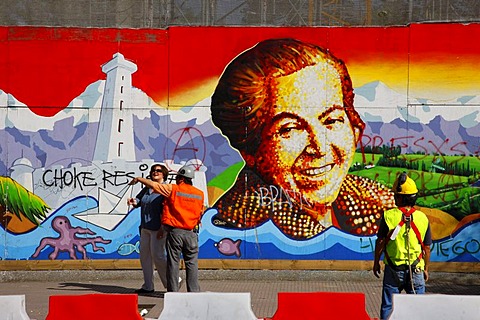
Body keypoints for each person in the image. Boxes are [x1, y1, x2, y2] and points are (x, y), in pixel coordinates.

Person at [210, 38, 395, 239]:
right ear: (250, 151)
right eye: (290, 129)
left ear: (355, 129)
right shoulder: (238, 224)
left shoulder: (376, 202)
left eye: (332, 120)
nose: (320, 147)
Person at [129, 165, 205, 292]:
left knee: (173, 263)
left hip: (175, 231)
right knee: (191, 264)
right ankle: (194, 293)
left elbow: (155, 187)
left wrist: (138, 179)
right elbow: (200, 211)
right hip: (191, 232)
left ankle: (173, 293)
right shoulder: (199, 194)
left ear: (180, 178)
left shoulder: (172, 189)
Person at [373, 172, 432, 320]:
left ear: (399, 197)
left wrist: (376, 262)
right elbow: (427, 248)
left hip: (393, 270)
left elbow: (380, 242)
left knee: (388, 307)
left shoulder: (389, 216)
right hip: (416, 270)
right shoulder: (422, 218)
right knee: (418, 310)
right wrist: (425, 268)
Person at [127, 164, 170, 294]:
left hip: (158, 228)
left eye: (158, 171)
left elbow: (167, 210)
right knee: (144, 257)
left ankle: (171, 283)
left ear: (164, 174)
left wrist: (164, 228)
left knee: (158, 256)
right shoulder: (147, 189)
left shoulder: (165, 189)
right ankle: (148, 286)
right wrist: (133, 202)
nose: (155, 172)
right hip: (145, 227)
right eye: (153, 170)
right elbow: (138, 202)